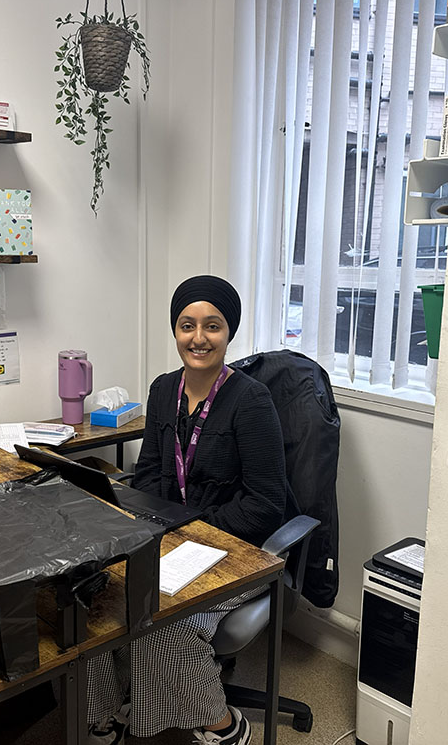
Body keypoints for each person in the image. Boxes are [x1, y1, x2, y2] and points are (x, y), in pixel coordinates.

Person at [87, 275, 297, 745]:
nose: (198, 338)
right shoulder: (163, 391)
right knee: (93, 597)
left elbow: (266, 504)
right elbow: (147, 475)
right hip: (168, 542)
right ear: (175, 330)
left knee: (162, 622)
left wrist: (191, 532)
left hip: (234, 552)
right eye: (187, 325)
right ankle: (102, 717)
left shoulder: (252, 401)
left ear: (229, 332)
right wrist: (150, 526)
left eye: (212, 326)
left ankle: (222, 725)